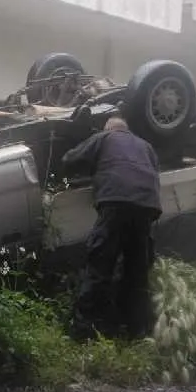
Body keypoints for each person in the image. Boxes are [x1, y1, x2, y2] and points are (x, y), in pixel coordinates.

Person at [61, 114, 162, 341]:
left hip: (116, 203)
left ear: (109, 129)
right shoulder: (146, 146)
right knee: (137, 273)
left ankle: (82, 332)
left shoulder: (104, 138)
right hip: (147, 207)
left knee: (99, 267)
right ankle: (137, 332)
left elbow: (70, 160)